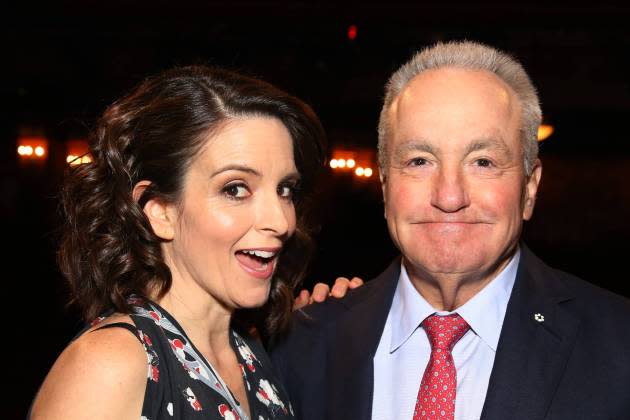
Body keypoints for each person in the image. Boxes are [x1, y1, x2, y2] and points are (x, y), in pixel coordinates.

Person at [270, 41, 630, 420]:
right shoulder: (300, 346)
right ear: (385, 184)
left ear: (529, 188)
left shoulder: (619, 347)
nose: (449, 195)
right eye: (420, 160)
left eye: (483, 162)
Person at [30, 65, 352, 420]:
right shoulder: (110, 367)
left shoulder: (249, 351)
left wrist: (339, 322)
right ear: (160, 211)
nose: (280, 221)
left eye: (284, 189)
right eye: (235, 189)